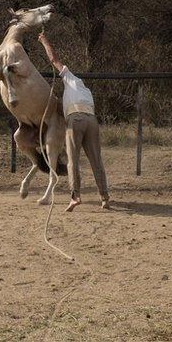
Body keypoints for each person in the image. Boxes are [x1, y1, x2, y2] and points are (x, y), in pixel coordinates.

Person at [37, 32, 109, 211]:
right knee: (96, 161)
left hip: (75, 118)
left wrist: (44, 40)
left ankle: (75, 196)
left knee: (72, 161)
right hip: (91, 120)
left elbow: (54, 59)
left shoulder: (71, 78)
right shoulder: (87, 92)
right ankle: (105, 197)